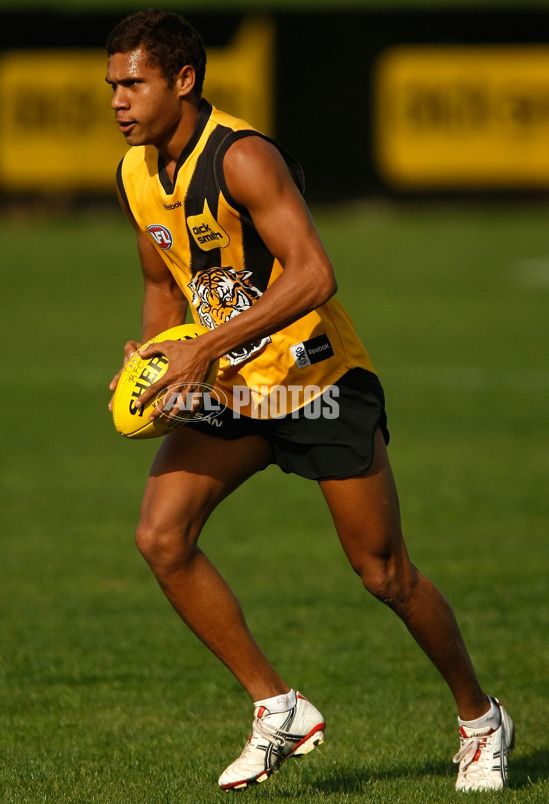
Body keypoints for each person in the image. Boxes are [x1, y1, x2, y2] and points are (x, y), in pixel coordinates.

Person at [105, 8, 514, 792]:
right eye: (112, 85)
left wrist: (204, 347)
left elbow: (314, 275)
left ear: (183, 81)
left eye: (135, 83)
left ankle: (481, 719)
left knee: (384, 573)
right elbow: (162, 281)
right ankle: (278, 706)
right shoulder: (133, 174)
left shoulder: (243, 157)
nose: (119, 100)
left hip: (318, 388)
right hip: (235, 391)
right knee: (161, 537)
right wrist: (157, 359)